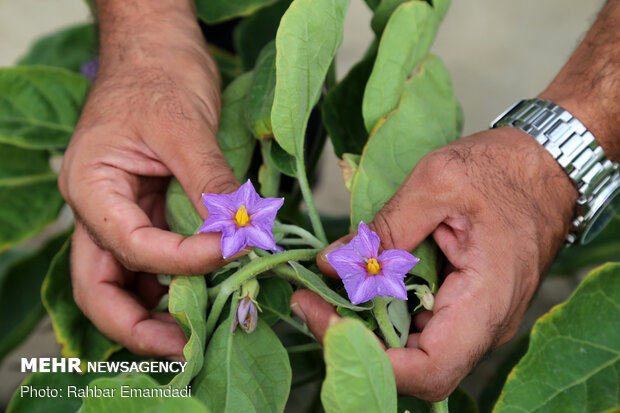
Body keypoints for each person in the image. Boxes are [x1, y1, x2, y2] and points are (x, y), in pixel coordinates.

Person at [58, 0, 620, 401]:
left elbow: (376, 261)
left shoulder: (357, 256)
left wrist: (559, 157)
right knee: (258, 55)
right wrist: (147, 30)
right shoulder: (345, 251)